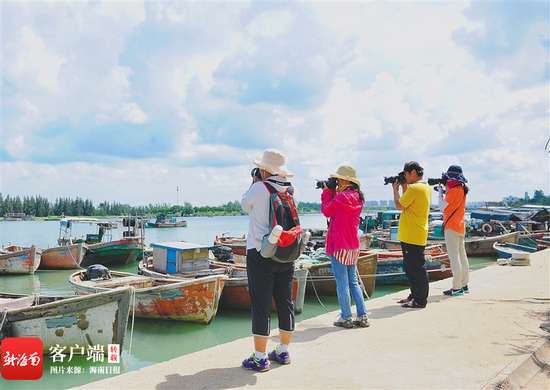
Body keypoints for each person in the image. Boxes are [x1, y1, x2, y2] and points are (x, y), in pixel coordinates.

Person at [240, 148, 298, 372]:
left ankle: (259, 358)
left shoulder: (258, 187)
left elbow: (245, 206)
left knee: (261, 303)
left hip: (260, 252)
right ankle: (282, 351)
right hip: (286, 252)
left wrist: (254, 181)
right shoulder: (293, 190)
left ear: (263, 169)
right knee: (285, 302)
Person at [321, 165, 370, 328]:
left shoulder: (341, 197)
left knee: (342, 283)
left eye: (339, 179)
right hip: (352, 245)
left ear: (345, 180)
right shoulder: (357, 196)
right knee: (353, 282)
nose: (337, 181)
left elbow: (327, 211)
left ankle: (346, 317)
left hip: (339, 244)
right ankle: (363, 316)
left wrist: (327, 191)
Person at [392, 161, 431, 309]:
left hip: (412, 234)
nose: (405, 177)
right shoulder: (424, 187)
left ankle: (420, 300)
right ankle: (414, 295)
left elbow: (399, 205)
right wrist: (403, 187)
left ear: (413, 172)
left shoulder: (415, 188)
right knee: (411, 268)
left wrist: (395, 190)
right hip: (415, 233)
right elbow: (408, 203)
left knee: (416, 269)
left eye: (406, 174)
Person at [438, 165, 470, 296]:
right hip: (460, 226)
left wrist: (440, 193)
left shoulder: (453, 190)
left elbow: (441, 207)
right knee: (462, 256)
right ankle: (464, 284)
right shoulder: (461, 188)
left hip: (451, 226)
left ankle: (456, 287)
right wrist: (445, 189)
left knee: (454, 257)